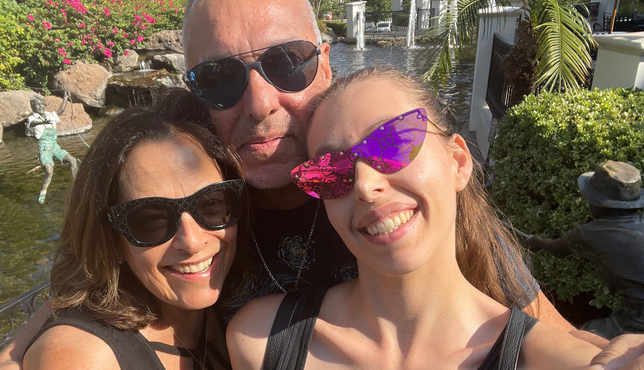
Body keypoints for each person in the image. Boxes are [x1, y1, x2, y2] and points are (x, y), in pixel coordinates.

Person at [0, 0, 644, 367]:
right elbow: (89, 280)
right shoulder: (194, 193)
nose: (260, 102)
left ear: (326, 63)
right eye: (219, 79)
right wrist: (23, 348)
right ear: (195, 94)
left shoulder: (407, 197)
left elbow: (548, 336)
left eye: (286, 62)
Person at [227, 65, 603, 370]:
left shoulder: (557, 362)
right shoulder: (260, 342)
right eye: (331, 171)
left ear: (458, 162)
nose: (365, 185)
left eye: (392, 143)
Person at [21, 88, 248, 370]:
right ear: (111, 239)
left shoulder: (236, 295)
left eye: (212, 204)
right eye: (151, 221)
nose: (191, 241)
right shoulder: (89, 358)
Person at [527, 160, 644, 339]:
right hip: (634, 311)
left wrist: (537, 242)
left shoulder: (590, 234)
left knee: (580, 338)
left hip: (639, 321)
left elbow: (557, 249)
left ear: (598, 204)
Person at [26, 93, 78, 204]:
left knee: (72, 160)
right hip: (44, 149)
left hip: (55, 147)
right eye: (37, 105)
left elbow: (61, 110)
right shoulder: (32, 118)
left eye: (42, 104)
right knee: (49, 171)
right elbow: (33, 123)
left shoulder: (50, 115)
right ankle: (43, 192)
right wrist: (43, 122)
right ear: (33, 107)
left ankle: (76, 186)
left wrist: (65, 97)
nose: (40, 106)